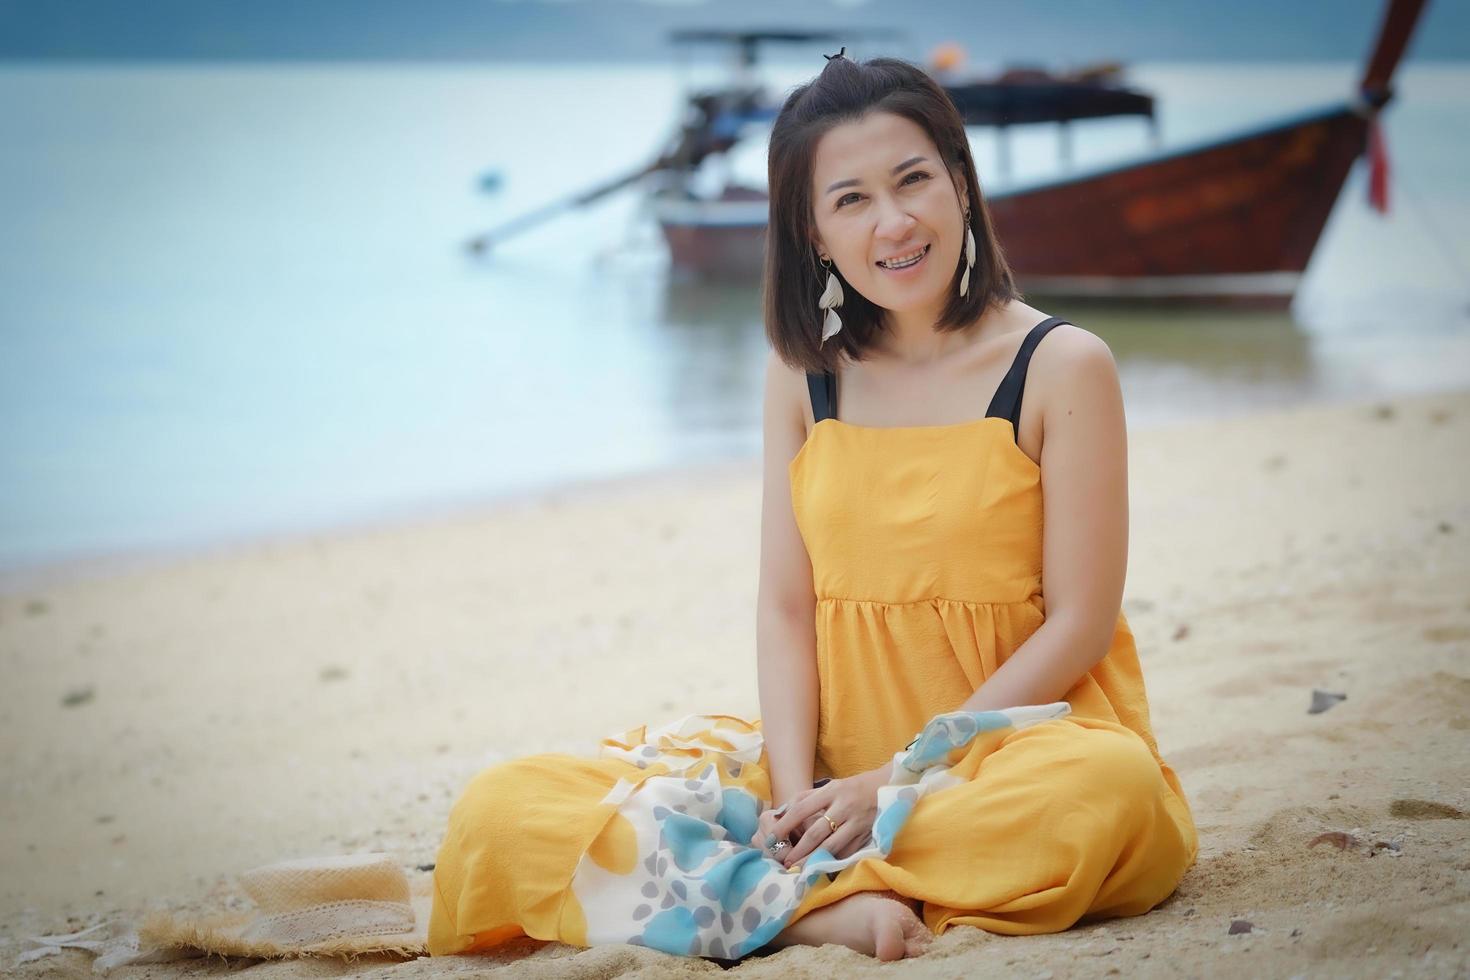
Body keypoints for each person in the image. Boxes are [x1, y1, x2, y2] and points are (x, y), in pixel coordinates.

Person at [425, 52, 1198, 964]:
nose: (896, 222)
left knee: (1109, 794)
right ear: (815, 234)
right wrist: (795, 802)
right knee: (502, 810)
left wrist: (897, 779)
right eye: (852, 200)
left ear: (960, 182)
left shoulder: (1063, 367)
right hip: (819, 770)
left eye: (914, 181)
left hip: (997, 763)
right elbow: (787, 606)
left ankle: (765, 902)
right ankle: (808, 901)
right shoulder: (806, 376)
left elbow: (1080, 621)